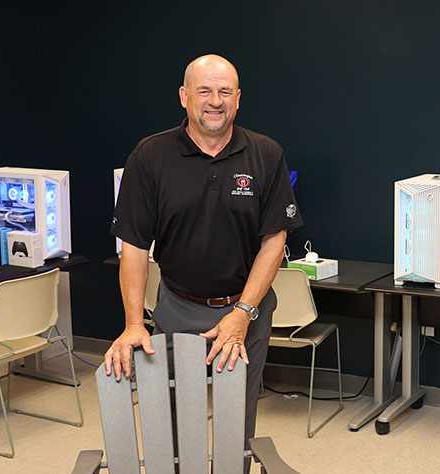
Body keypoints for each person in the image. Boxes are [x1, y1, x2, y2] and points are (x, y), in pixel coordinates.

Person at [105, 54, 301, 452]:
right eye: (205, 91)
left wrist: (242, 314)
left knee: (236, 426)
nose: (216, 101)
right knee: (174, 425)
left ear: (238, 98)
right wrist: (132, 323)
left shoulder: (266, 154)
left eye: (225, 91)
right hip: (178, 308)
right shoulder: (150, 156)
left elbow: (274, 241)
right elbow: (135, 247)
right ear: (184, 96)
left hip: (247, 311)